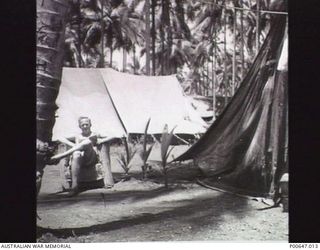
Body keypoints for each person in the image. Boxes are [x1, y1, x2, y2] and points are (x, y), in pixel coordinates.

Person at [59, 116, 105, 196]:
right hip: (79, 159)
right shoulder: (77, 136)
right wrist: (74, 145)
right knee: (76, 153)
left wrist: (102, 140)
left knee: (87, 142)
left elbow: (114, 135)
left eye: (86, 124)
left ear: (90, 125)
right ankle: (75, 186)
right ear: (79, 126)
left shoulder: (95, 134)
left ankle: (61, 156)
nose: (85, 126)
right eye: (82, 125)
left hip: (91, 158)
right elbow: (59, 137)